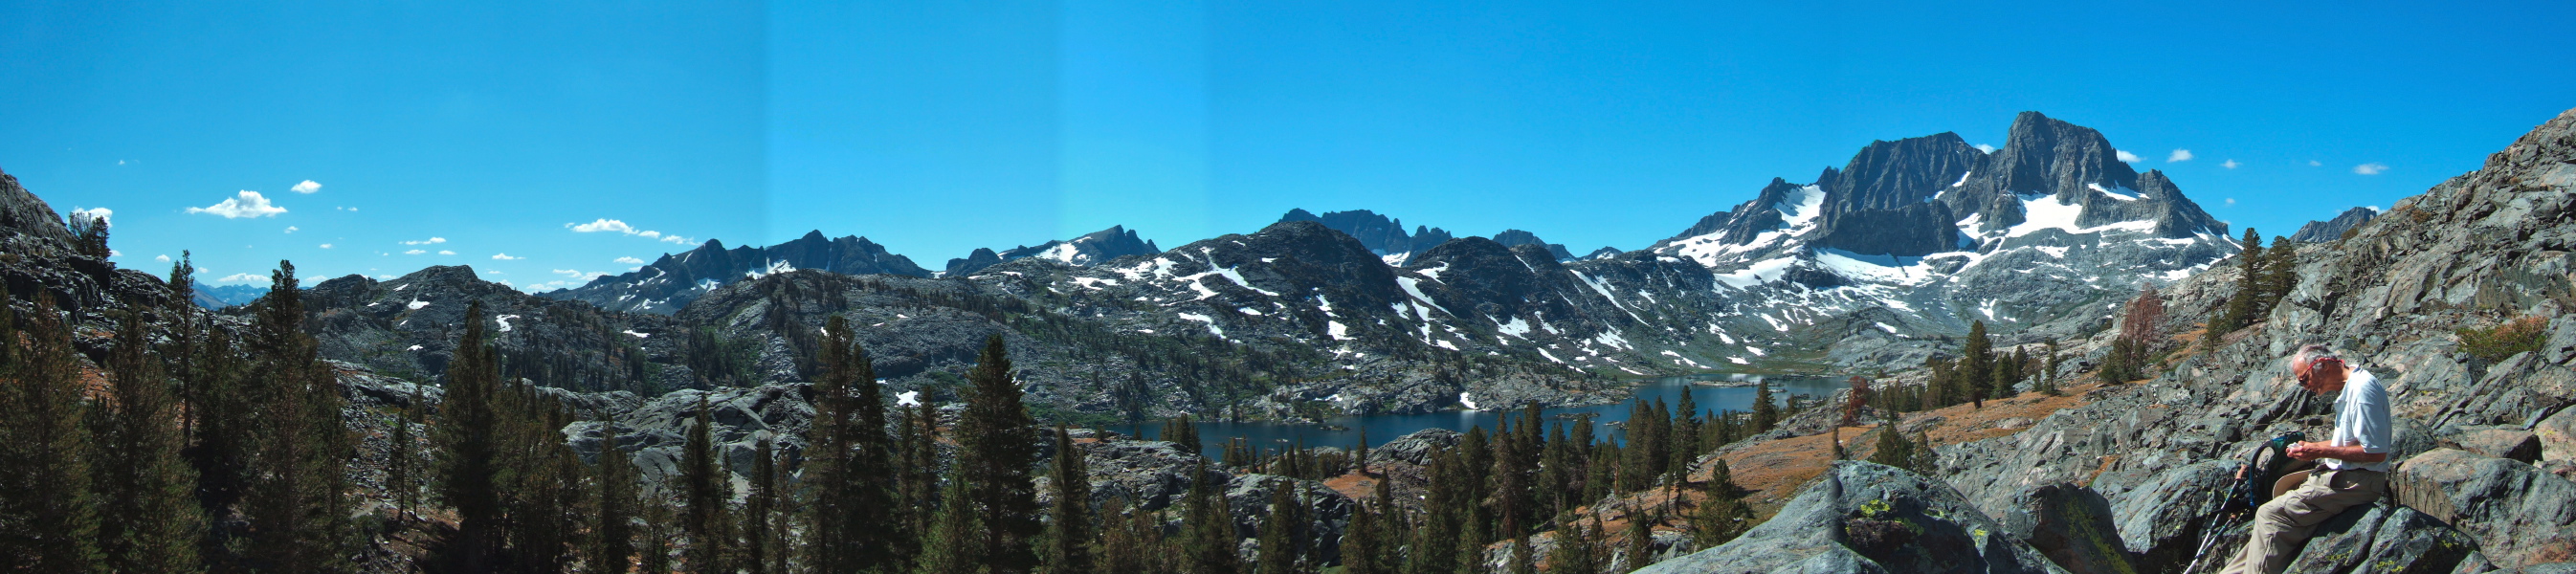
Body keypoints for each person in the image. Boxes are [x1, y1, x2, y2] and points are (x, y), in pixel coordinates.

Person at [2222, 344, 2392, 574]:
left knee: (2269, 515)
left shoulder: (2361, 392)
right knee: (2271, 519)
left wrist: (2320, 453)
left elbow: (2375, 452)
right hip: (2346, 477)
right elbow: (2348, 443)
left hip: (2357, 482)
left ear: (2322, 364)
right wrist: (2312, 447)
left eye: (2304, 378)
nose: (2305, 386)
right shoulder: (2353, 387)